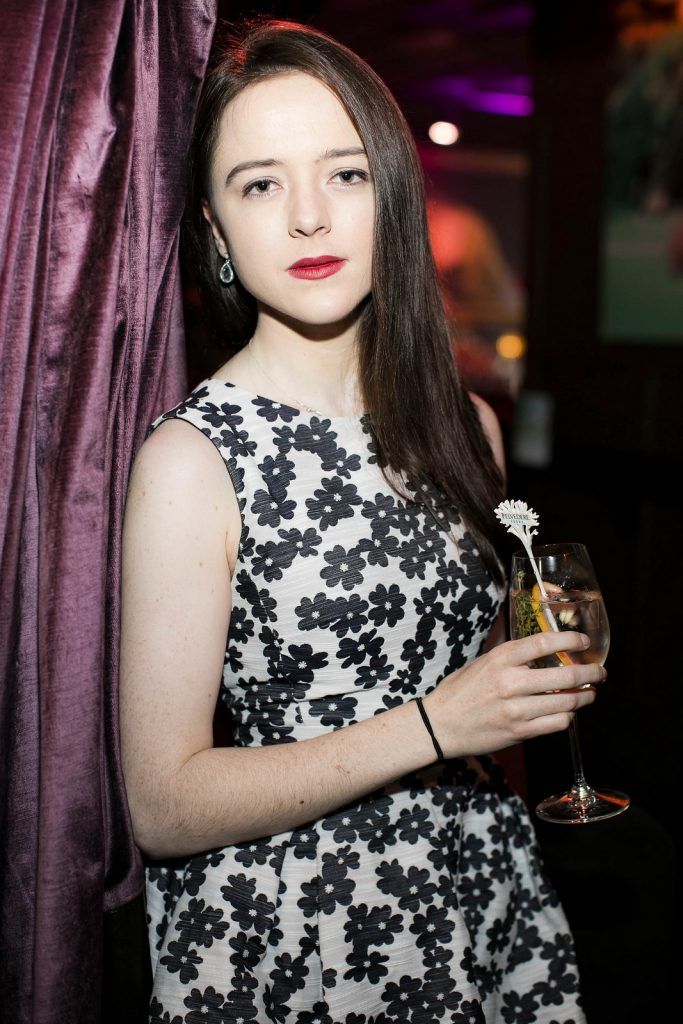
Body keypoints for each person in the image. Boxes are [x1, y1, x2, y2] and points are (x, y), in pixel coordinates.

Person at [119, 18, 603, 1024]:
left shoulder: (465, 425)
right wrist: (436, 724)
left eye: (343, 174)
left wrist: (520, 685)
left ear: (393, 192)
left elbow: (481, 683)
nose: (308, 218)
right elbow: (163, 807)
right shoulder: (192, 460)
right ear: (211, 229)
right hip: (294, 928)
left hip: (477, 888)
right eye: (258, 183)